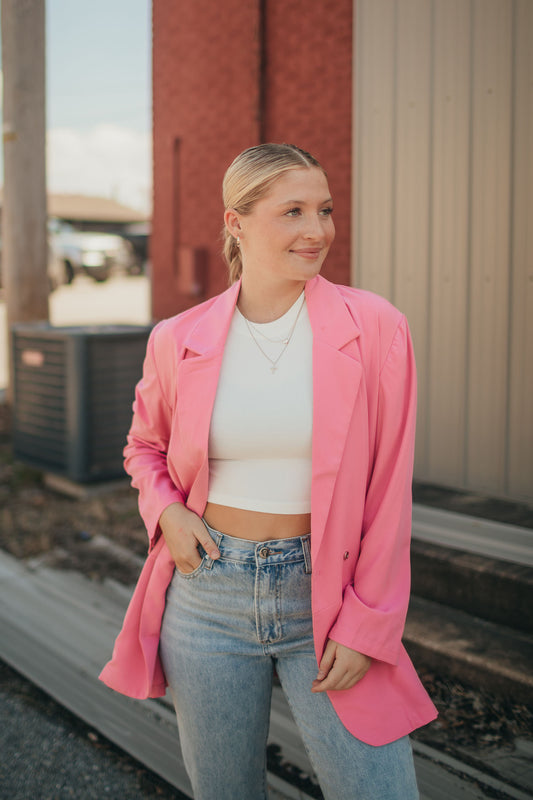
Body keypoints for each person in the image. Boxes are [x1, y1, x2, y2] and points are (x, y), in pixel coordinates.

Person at [100, 143, 437, 799]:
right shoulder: (178, 337)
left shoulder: (374, 328)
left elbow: (389, 491)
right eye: (292, 212)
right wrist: (166, 511)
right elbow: (143, 447)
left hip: (329, 597)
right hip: (208, 597)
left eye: (325, 210)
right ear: (235, 223)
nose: (317, 231)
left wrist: (367, 625)